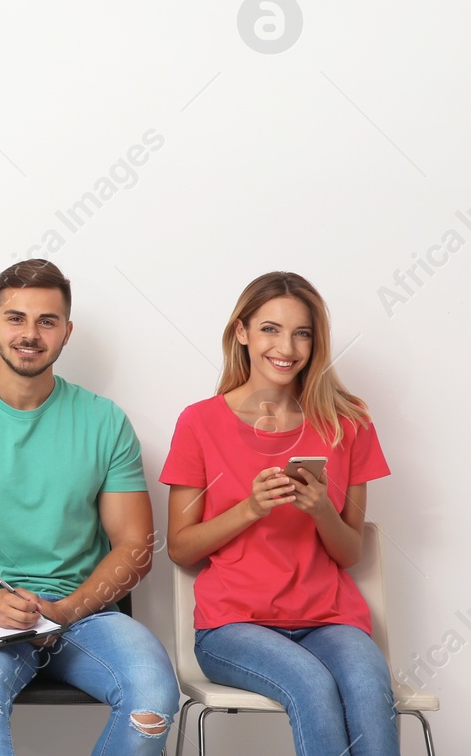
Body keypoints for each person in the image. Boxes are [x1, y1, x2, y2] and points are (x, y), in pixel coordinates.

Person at [0, 259, 177, 755]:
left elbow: (135, 547)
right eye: (16, 318)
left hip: (85, 614)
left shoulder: (104, 422)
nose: (30, 334)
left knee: (154, 702)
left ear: (66, 332)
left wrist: (66, 611)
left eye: (46, 321)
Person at [161, 272, 395, 756]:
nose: (286, 346)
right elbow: (180, 548)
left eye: (302, 332)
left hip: (329, 619)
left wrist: (322, 511)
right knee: (310, 684)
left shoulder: (347, 424)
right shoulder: (199, 422)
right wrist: (249, 508)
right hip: (233, 625)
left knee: (371, 689)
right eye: (270, 329)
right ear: (242, 332)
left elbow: (350, 551)